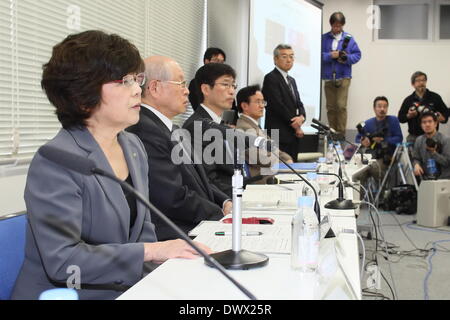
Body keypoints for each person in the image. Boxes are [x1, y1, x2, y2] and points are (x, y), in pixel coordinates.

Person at [12, 31, 211, 300]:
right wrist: (152, 252)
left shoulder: (133, 146)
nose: (137, 89)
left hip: (128, 289)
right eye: (124, 81)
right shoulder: (55, 160)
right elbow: (63, 262)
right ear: (83, 95)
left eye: (136, 79)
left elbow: (144, 233)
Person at [127, 56, 232, 241]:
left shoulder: (170, 128)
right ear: (154, 88)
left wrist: (225, 201)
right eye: (181, 83)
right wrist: (220, 215)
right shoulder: (144, 130)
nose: (187, 91)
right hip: (177, 235)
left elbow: (200, 181)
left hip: (197, 225)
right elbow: (172, 197)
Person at [183, 63, 238, 197]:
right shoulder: (196, 126)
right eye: (225, 84)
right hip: (224, 204)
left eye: (233, 85)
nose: (232, 91)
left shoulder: (220, 124)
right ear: (206, 89)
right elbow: (209, 180)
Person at [235, 85, 293, 183]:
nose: (262, 106)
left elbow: (275, 150)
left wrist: (287, 159)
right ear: (244, 106)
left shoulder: (255, 125)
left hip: (271, 174)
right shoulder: (244, 128)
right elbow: (263, 159)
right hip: (262, 179)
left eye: (263, 102)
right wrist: (283, 161)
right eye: (258, 102)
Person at [262, 44, 306, 161]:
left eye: (291, 57)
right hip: (278, 134)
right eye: (284, 56)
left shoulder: (292, 80)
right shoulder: (270, 78)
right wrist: (296, 125)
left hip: (292, 135)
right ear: (275, 59)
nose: (289, 60)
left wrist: (302, 117)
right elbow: (278, 106)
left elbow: (299, 103)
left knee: (293, 173)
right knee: (278, 172)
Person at [322, 12, 362, 139]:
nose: (337, 29)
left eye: (339, 26)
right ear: (331, 25)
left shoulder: (348, 38)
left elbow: (357, 55)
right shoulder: (323, 38)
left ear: (343, 25)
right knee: (330, 107)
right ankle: (332, 132)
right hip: (328, 77)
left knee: (340, 105)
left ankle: (340, 133)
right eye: (335, 26)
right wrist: (330, 56)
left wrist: (345, 58)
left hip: (344, 76)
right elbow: (318, 55)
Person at [354, 96, 403, 186]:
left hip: (386, 157)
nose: (382, 109)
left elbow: (399, 138)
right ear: (374, 108)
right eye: (379, 106)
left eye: (385, 106)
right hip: (369, 156)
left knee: (374, 168)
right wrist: (363, 141)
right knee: (357, 174)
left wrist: (384, 140)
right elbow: (357, 139)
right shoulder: (367, 123)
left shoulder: (393, 120)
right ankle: (361, 198)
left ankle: (382, 195)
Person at [398, 71, 448, 145]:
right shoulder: (408, 100)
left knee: (435, 156)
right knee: (414, 157)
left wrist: (443, 118)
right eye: (418, 81)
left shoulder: (435, 97)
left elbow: (446, 112)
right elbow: (400, 118)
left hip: (433, 137)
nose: (421, 83)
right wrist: (409, 116)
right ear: (413, 84)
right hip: (414, 137)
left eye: (423, 80)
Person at [412, 112, 450, 180]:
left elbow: (447, 162)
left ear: (435, 124)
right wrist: (416, 165)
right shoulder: (419, 140)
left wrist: (434, 153)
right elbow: (416, 158)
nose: (427, 124)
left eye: (430, 121)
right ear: (421, 125)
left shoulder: (445, 139)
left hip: (443, 179)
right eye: (424, 122)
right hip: (426, 179)